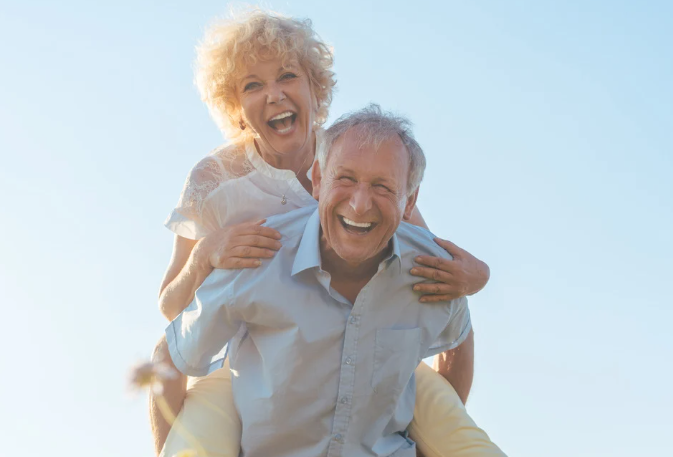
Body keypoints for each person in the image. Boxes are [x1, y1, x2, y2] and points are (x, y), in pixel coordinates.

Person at [152, 8, 497, 457]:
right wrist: (206, 254)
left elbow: (425, 259)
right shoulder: (215, 180)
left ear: (316, 87)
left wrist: (479, 276)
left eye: (287, 76)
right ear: (235, 105)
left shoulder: (353, 155)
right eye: (252, 85)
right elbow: (171, 309)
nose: (274, 95)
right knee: (199, 430)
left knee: (445, 420)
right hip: (257, 361)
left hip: (367, 348)